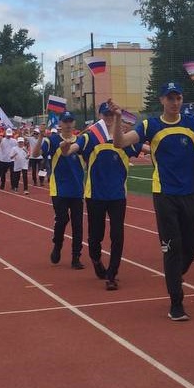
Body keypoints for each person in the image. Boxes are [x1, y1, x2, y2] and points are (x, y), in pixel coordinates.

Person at [115, 82, 194, 319]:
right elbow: (120, 142)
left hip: (190, 193)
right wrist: (119, 118)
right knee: (172, 248)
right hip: (165, 194)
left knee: (192, 245)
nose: (175, 102)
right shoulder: (151, 124)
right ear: (162, 100)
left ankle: (174, 275)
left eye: (178, 98)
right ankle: (176, 304)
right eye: (170, 98)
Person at [72, 103, 140, 291]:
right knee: (95, 235)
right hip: (95, 195)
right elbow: (76, 146)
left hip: (118, 195)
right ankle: (96, 259)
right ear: (100, 115)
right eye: (106, 114)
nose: (109, 117)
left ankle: (112, 274)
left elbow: (146, 147)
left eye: (112, 114)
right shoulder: (91, 136)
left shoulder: (124, 139)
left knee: (117, 235)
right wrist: (66, 148)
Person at [44, 113, 86, 270]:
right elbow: (37, 153)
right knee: (62, 220)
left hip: (77, 190)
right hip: (59, 189)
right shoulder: (53, 140)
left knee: (78, 224)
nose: (68, 124)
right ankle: (57, 244)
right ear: (60, 123)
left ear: (74, 123)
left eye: (70, 121)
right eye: (65, 121)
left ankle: (76, 256)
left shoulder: (82, 141)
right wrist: (41, 137)